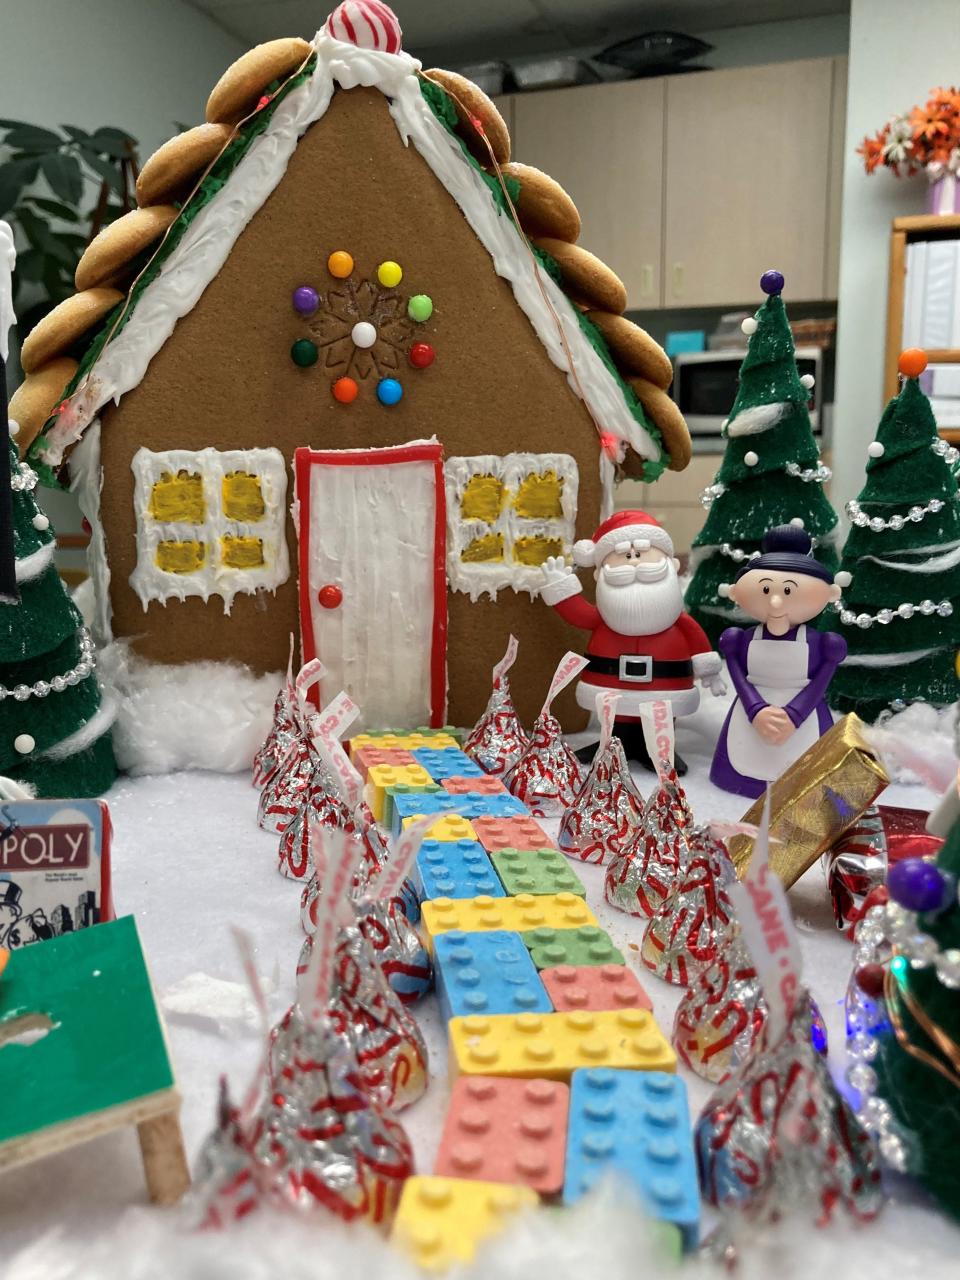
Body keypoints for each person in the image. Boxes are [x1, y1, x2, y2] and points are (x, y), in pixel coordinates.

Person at [540, 510, 724, 774]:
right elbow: (579, 614)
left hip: (665, 687)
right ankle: (610, 744)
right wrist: (560, 586)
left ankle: (658, 749)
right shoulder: (605, 616)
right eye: (625, 556)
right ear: (600, 574)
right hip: (609, 684)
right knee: (614, 718)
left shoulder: (678, 621)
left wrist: (709, 671)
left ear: (671, 564)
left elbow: (697, 640)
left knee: (658, 721)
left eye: (642, 554)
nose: (635, 562)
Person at [710, 523, 846, 798]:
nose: (775, 603)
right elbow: (737, 674)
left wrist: (794, 716)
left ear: (830, 595)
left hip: (804, 715)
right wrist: (756, 710)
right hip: (750, 712)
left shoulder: (823, 644)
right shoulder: (741, 639)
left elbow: (820, 683)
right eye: (765, 591)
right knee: (742, 756)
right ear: (737, 593)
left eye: (787, 592)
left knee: (806, 774)